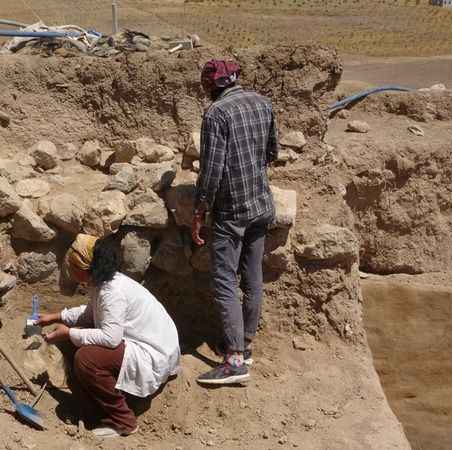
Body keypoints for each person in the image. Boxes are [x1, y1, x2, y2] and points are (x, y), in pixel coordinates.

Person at [37, 234, 181, 438]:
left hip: (153, 352)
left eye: (73, 265)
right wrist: (55, 317)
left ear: (85, 268)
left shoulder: (112, 291)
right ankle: (95, 409)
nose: (70, 269)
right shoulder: (102, 283)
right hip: (151, 342)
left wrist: (69, 333)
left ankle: (124, 421)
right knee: (79, 339)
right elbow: (90, 313)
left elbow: (111, 338)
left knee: (87, 359)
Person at [191, 59, 277, 385]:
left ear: (213, 85)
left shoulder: (217, 114)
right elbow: (271, 153)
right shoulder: (263, 103)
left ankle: (234, 360)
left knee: (224, 281)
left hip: (232, 211)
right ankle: (247, 343)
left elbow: (211, 172)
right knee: (252, 275)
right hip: (262, 204)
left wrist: (199, 211)